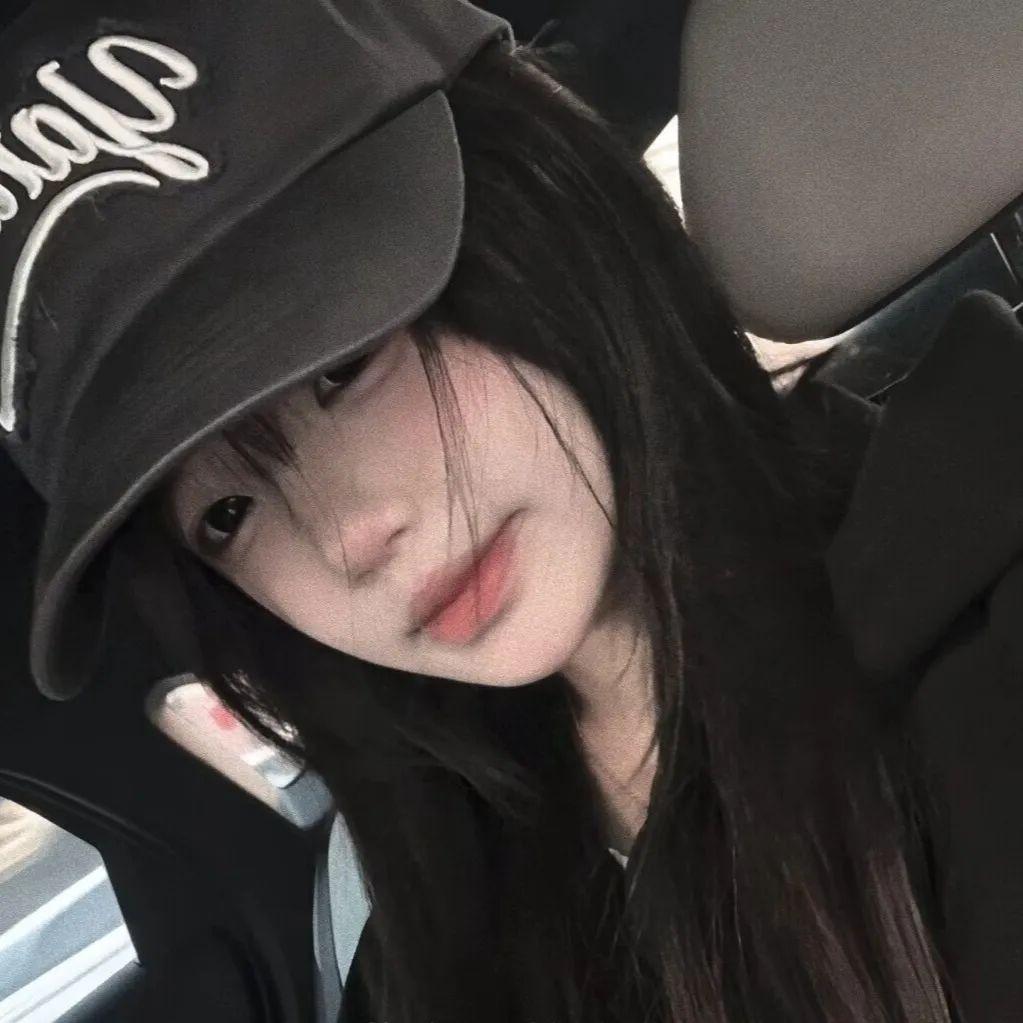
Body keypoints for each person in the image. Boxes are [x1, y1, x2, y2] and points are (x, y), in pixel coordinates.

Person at [0, 0, 993, 1020]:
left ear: (536, 212)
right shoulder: (424, 888)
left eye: (345, 367)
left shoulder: (982, 631)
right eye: (227, 514)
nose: (349, 540)